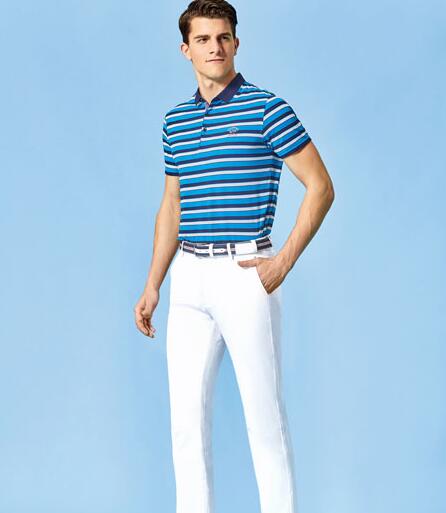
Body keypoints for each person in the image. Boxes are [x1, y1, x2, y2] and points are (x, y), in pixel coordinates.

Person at [134, 1, 334, 512]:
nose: (215, 48)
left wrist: (282, 262)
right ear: (186, 50)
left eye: (223, 37)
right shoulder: (175, 122)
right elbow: (172, 206)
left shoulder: (268, 109)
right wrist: (154, 283)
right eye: (203, 40)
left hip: (246, 273)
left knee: (265, 422)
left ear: (236, 43)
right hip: (189, 278)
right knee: (185, 425)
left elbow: (320, 186)